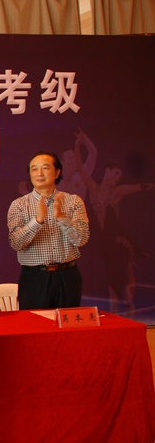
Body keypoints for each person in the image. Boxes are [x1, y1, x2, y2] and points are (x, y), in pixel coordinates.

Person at [75, 130, 152, 315]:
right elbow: (80, 168)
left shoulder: (118, 191)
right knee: (112, 278)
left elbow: (138, 188)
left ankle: (130, 306)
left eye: (120, 175)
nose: (118, 178)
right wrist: (78, 146)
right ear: (107, 172)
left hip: (119, 240)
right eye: (116, 173)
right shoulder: (92, 188)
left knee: (128, 275)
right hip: (105, 243)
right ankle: (115, 312)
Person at [8, 152, 89, 310]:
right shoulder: (19, 205)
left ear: (57, 172)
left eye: (45, 168)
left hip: (67, 275)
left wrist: (62, 218)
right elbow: (16, 243)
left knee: (67, 323)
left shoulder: (73, 201)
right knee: (34, 323)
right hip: (35, 278)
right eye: (34, 169)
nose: (39, 173)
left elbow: (81, 239)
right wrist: (37, 221)